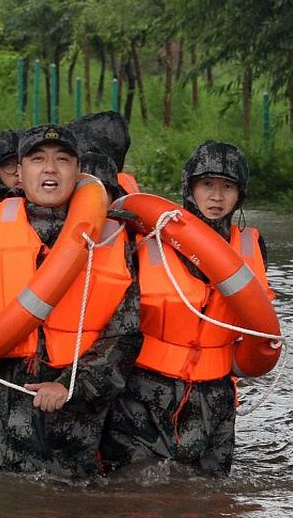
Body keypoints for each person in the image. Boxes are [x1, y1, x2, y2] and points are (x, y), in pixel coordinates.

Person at [0, 124, 141, 480]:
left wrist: (70, 386)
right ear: (20, 170)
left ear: (78, 173)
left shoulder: (113, 238)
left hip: (71, 413)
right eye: (37, 159)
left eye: (63, 160)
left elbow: (125, 335)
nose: (50, 169)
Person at [101, 141, 272, 477]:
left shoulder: (252, 244)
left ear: (240, 194)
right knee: (133, 489)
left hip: (215, 394)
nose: (217, 197)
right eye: (207, 185)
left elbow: (257, 322)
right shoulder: (148, 238)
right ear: (190, 188)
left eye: (228, 187)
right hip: (145, 391)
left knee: (210, 499)